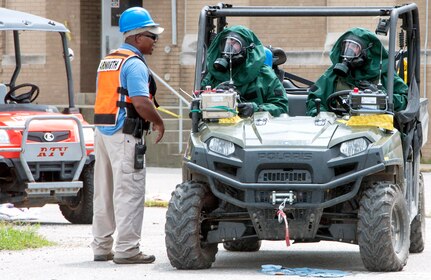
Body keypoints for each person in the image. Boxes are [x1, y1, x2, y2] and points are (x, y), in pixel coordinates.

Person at [91, 7, 165, 264]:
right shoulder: (133, 64)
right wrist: (158, 122)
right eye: (151, 36)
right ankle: (127, 250)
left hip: (103, 132)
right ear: (136, 37)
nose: (155, 41)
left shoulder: (109, 59)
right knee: (129, 192)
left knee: (103, 192)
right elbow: (142, 104)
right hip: (124, 135)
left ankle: (101, 247)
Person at [306, 27, 408, 116]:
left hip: (377, 130)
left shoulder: (384, 74)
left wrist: (380, 95)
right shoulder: (334, 74)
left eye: (354, 48)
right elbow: (314, 100)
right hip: (340, 130)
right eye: (346, 47)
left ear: (366, 51)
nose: (349, 52)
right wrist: (326, 118)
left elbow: (406, 100)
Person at [201, 25, 289, 117]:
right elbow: (199, 107)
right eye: (227, 43)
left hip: (257, 127)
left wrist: (256, 109)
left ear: (246, 47)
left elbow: (281, 107)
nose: (230, 47)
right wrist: (215, 94)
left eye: (235, 43)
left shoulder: (264, 75)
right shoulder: (214, 74)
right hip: (221, 127)